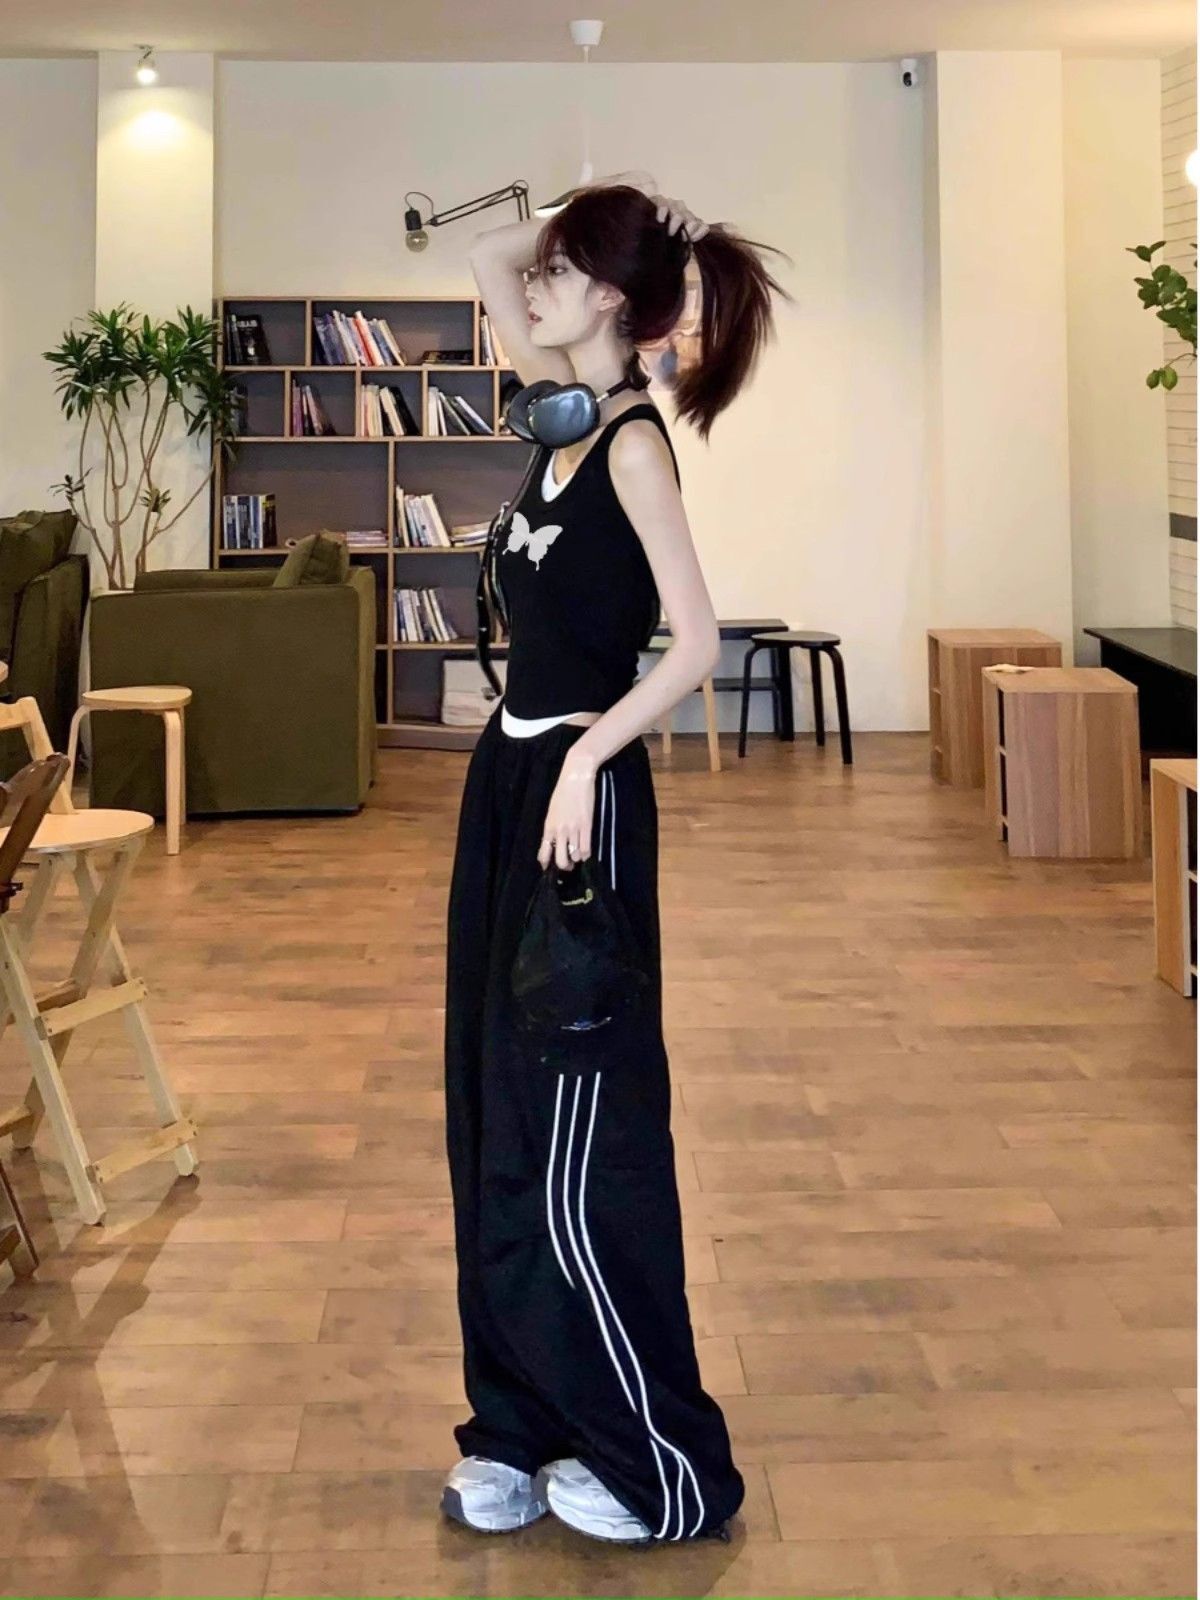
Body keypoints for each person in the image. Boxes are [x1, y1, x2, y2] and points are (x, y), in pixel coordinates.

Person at [442, 169, 789, 1546]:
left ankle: (658, 1460)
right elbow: (488, 258)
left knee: (582, 1135)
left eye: (562, 272)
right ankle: (518, 1425)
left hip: (578, 800)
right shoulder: (560, 410)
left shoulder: (635, 442)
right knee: (493, 1120)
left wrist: (589, 756)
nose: (531, 287)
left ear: (612, 299)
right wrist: (578, 231)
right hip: (508, 788)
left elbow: (694, 644)